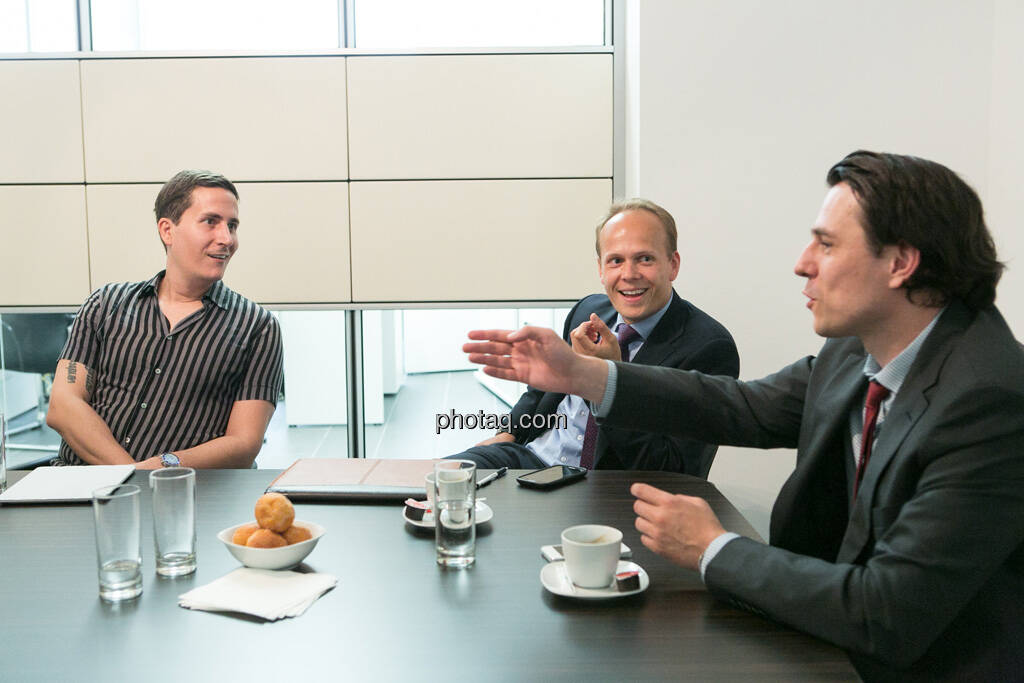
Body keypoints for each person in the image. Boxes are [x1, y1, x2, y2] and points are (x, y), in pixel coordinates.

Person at [464, 151, 1024, 680]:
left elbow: (887, 611)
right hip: (818, 631)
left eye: (826, 245)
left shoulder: (988, 401)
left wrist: (714, 548)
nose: (802, 265)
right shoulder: (858, 349)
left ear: (900, 263)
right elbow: (744, 406)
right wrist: (580, 375)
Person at [453, 199, 738, 475]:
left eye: (645, 259)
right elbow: (540, 393)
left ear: (672, 264)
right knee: (430, 483)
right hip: (533, 459)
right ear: (601, 269)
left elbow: (674, 471)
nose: (629, 274)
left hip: (607, 490)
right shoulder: (587, 311)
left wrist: (608, 380)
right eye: (615, 261)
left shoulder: (709, 349)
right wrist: (509, 432)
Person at [46, 170, 283, 469]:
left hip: (184, 494)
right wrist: (132, 477)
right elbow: (63, 406)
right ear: (167, 230)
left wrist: (157, 470)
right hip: (79, 486)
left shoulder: (257, 326)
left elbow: (244, 443)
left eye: (232, 225)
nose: (227, 239)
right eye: (211, 221)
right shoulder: (105, 304)